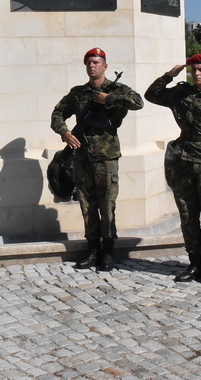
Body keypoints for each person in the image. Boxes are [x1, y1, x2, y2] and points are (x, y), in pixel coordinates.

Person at [145, 53, 201, 287]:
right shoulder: (181, 94)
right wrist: (169, 75)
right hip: (183, 163)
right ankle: (194, 263)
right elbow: (151, 95)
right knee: (187, 216)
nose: (196, 73)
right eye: (193, 69)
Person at [50, 48, 144, 272]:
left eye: (96, 62)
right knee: (87, 206)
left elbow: (138, 102)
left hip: (107, 158)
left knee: (107, 206)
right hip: (82, 158)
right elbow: (57, 114)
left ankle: (108, 252)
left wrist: (109, 99)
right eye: (89, 63)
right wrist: (65, 133)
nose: (92, 66)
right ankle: (92, 250)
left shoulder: (118, 89)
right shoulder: (78, 93)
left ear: (105, 66)